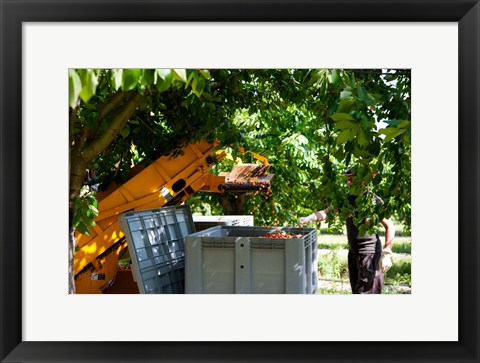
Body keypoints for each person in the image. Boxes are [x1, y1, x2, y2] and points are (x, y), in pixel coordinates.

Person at [298, 167, 395, 294]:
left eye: (352, 179)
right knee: (356, 290)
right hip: (353, 252)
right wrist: (310, 218)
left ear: (362, 181)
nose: (349, 183)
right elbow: (327, 213)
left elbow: (390, 225)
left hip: (369, 253)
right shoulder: (346, 200)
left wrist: (387, 251)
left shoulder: (373, 200)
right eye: (347, 180)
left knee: (366, 292)